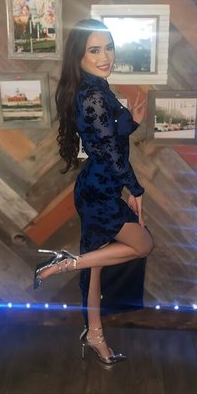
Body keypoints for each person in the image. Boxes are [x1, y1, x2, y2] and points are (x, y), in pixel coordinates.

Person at [33, 19, 154, 366]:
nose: (105, 57)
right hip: (100, 192)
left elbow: (108, 135)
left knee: (97, 268)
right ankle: (63, 264)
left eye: (109, 48)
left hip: (98, 187)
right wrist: (135, 189)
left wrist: (132, 121)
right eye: (95, 50)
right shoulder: (93, 95)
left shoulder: (94, 88)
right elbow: (110, 153)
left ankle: (95, 335)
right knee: (143, 245)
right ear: (79, 56)